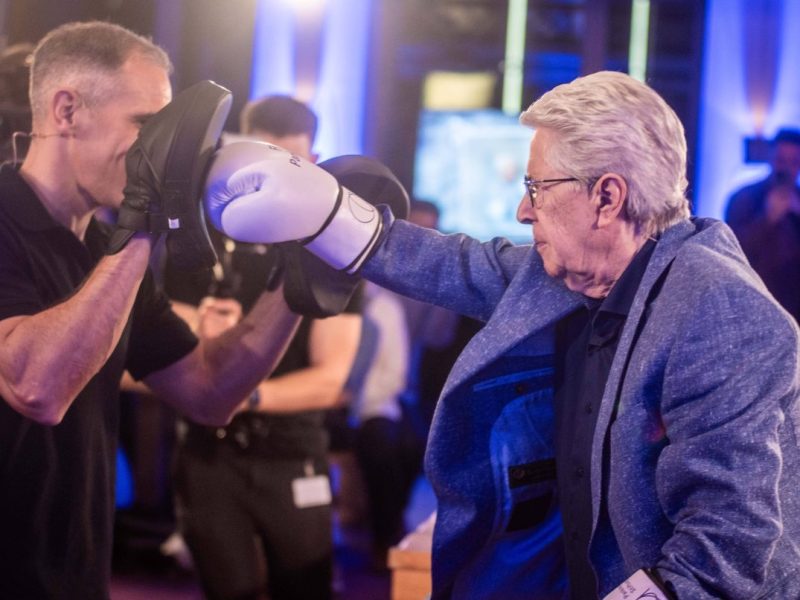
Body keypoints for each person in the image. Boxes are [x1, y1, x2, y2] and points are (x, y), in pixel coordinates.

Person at [203, 70, 800, 599]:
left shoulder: (721, 310)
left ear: (606, 197)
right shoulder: (580, 272)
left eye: (536, 188)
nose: (522, 210)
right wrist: (327, 213)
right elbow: (455, 264)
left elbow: (726, 549)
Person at [0, 22, 305, 600]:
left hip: (71, 574)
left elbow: (210, 391)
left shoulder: (101, 253)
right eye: (146, 125)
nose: (164, 152)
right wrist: (143, 228)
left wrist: (299, 283)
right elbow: (35, 385)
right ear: (67, 110)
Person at [166, 94, 362, 600]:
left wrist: (235, 390)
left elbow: (330, 378)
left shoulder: (332, 248)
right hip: (208, 455)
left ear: (312, 163)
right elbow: (162, 326)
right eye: (262, 161)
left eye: (290, 164)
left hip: (292, 453)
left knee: (306, 588)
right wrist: (206, 334)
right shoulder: (199, 238)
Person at [725, 128, 800, 322]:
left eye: (794, 163)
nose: (786, 169)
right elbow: (731, 252)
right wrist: (768, 219)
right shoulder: (744, 198)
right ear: (771, 157)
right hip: (751, 306)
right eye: (782, 160)